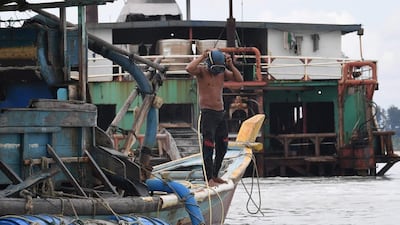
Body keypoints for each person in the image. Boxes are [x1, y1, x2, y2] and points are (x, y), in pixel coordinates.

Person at [185, 49, 243, 186]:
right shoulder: (202, 72)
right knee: (208, 146)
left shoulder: (222, 73)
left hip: (220, 113)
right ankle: (208, 178)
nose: (216, 71)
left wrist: (231, 65)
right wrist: (202, 56)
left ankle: (216, 175)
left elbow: (239, 80)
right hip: (208, 113)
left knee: (222, 145)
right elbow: (189, 68)